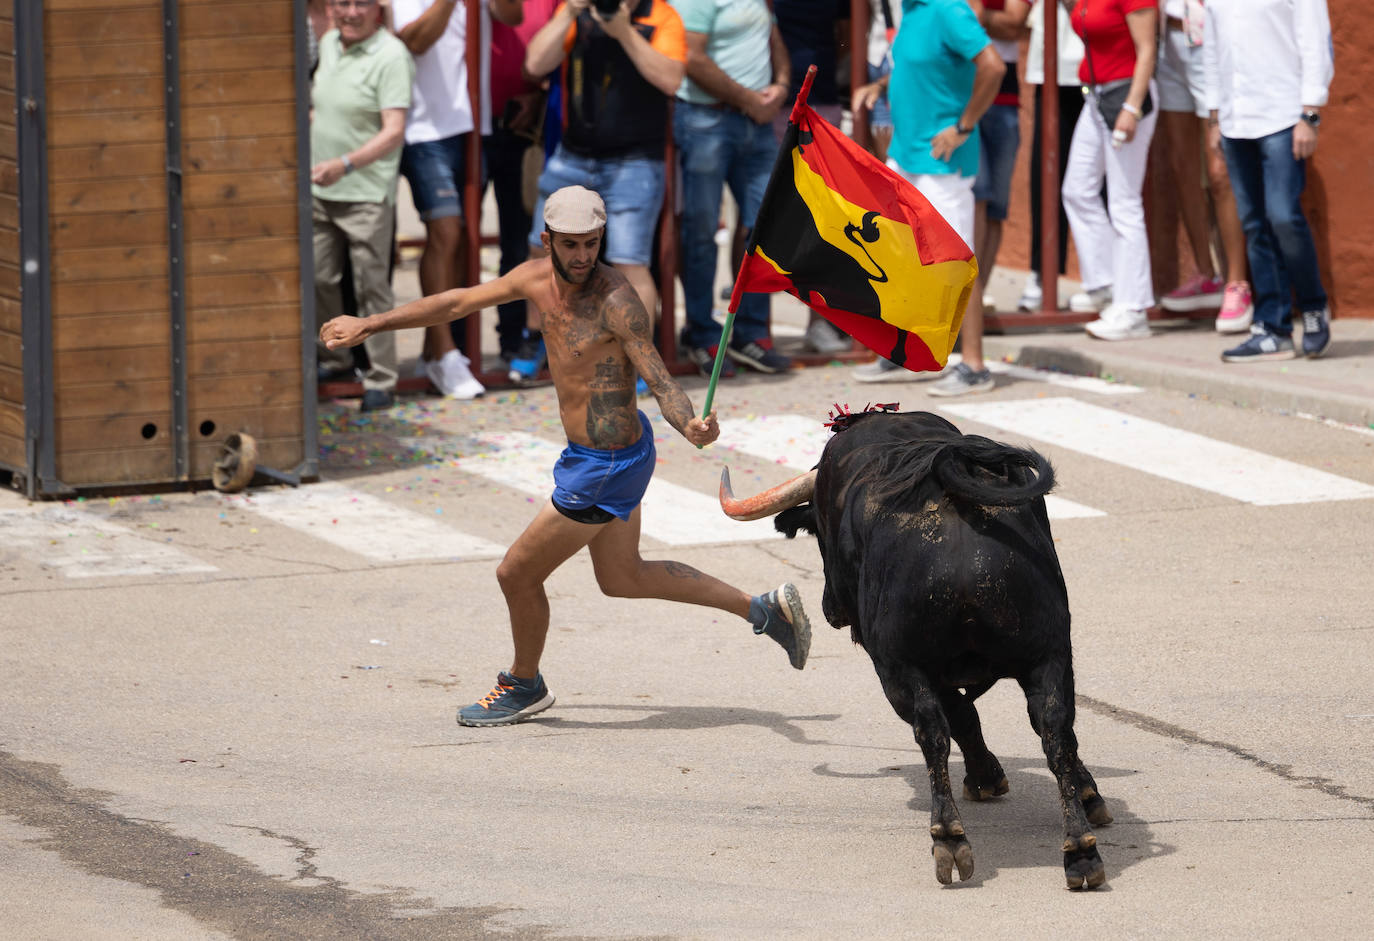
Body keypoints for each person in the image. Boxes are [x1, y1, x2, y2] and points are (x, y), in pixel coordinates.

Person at [319, 186, 812, 726]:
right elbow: (457, 302)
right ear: (547, 240)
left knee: (516, 574)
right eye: (571, 245)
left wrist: (690, 423)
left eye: (592, 244)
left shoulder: (618, 301)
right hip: (594, 456)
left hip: (606, 467)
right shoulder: (533, 277)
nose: (582, 257)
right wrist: (371, 324)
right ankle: (764, 609)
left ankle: (523, 684)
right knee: (623, 578)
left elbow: (659, 378)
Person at [850, 0, 1005, 394]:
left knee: (955, 261)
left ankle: (974, 365)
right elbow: (917, 70)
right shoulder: (911, 11)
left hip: (942, 159)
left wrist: (964, 126)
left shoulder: (949, 10)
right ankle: (903, 349)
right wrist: (880, 86)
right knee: (901, 256)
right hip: (906, 155)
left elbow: (993, 65)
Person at [523, 0, 686, 349]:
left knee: (630, 262)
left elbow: (672, 80)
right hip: (574, 155)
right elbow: (535, 63)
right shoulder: (576, 10)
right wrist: (568, 12)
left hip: (636, 160)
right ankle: (540, 343)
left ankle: (640, 356)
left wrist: (624, 31)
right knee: (542, 251)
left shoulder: (660, 15)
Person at [392, 0, 523, 399]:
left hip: (471, 125)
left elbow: (512, 15)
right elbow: (413, 41)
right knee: (445, 232)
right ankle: (444, 353)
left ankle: (439, 350)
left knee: (463, 240)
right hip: (423, 128)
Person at [1206, 0, 1333, 362]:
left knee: (1283, 216)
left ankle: (1312, 306)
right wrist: (1215, 117)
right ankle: (1272, 328)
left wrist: (1310, 113)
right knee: (1254, 224)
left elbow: (1315, 41)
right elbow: (1213, 53)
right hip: (1235, 119)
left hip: (1282, 114)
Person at [673, 0, 793, 379]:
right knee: (702, 232)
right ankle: (701, 332)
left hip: (751, 121)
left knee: (765, 228)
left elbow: (771, 36)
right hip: (708, 118)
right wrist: (752, 100)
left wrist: (782, 84)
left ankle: (749, 333)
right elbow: (691, 56)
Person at [310, 0, 414, 413]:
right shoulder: (330, 42)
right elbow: (324, 106)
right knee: (320, 279)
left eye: (360, 4)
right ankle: (336, 360)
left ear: (378, 9)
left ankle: (382, 379)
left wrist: (346, 164)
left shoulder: (391, 54)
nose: (349, 12)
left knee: (373, 290)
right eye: (341, 2)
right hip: (321, 190)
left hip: (365, 192)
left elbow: (394, 131)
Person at [1061, 0, 1159, 341]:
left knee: (1124, 202)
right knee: (1076, 190)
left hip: (1127, 96)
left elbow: (1148, 49)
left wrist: (1132, 107)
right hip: (1096, 97)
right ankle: (1108, 284)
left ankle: (1133, 309)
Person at [1153, 0, 1252, 333]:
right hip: (1167, 39)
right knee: (1182, 166)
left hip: (1209, 39)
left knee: (1219, 169)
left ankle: (1238, 283)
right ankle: (1206, 274)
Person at [773, 0, 853, 355]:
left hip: (821, 101)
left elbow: (847, 35)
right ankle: (750, 331)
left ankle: (819, 323)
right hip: (772, 104)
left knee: (823, 216)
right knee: (766, 217)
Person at [487, 0, 560, 382]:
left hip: (524, 128)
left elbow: (557, 56)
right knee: (456, 239)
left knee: (520, 242)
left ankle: (517, 340)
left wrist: (539, 95)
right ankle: (454, 349)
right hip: (469, 126)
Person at [1018, 0, 1087, 311]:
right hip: (1052, 61)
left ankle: (1099, 278)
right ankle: (1041, 273)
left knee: (1098, 180)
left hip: (1099, 60)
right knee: (1044, 177)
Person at [974, 1, 1030, 313]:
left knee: (996, 204)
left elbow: (1014, 25)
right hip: (965, 95)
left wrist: (976, 17)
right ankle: (963, 300)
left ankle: (975, 301)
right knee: (975, 199)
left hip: (1006, 97)